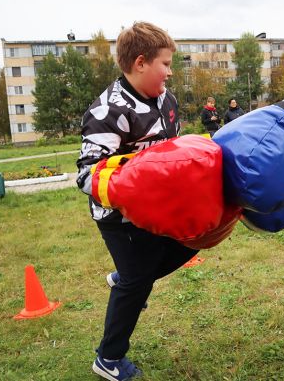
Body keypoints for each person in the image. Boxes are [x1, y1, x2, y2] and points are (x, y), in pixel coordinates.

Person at [76, 22, 199, 380]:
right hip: (120, 215)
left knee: (194, 239)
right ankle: (108, 358)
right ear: (141, 62)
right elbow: (86, 175)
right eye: (165, 63)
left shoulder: (167, 100)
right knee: (137, 281)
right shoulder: (108, 111)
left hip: (161, 208)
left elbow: (174, 152)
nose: (170, 71)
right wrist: (135, 184)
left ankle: (126, 276)